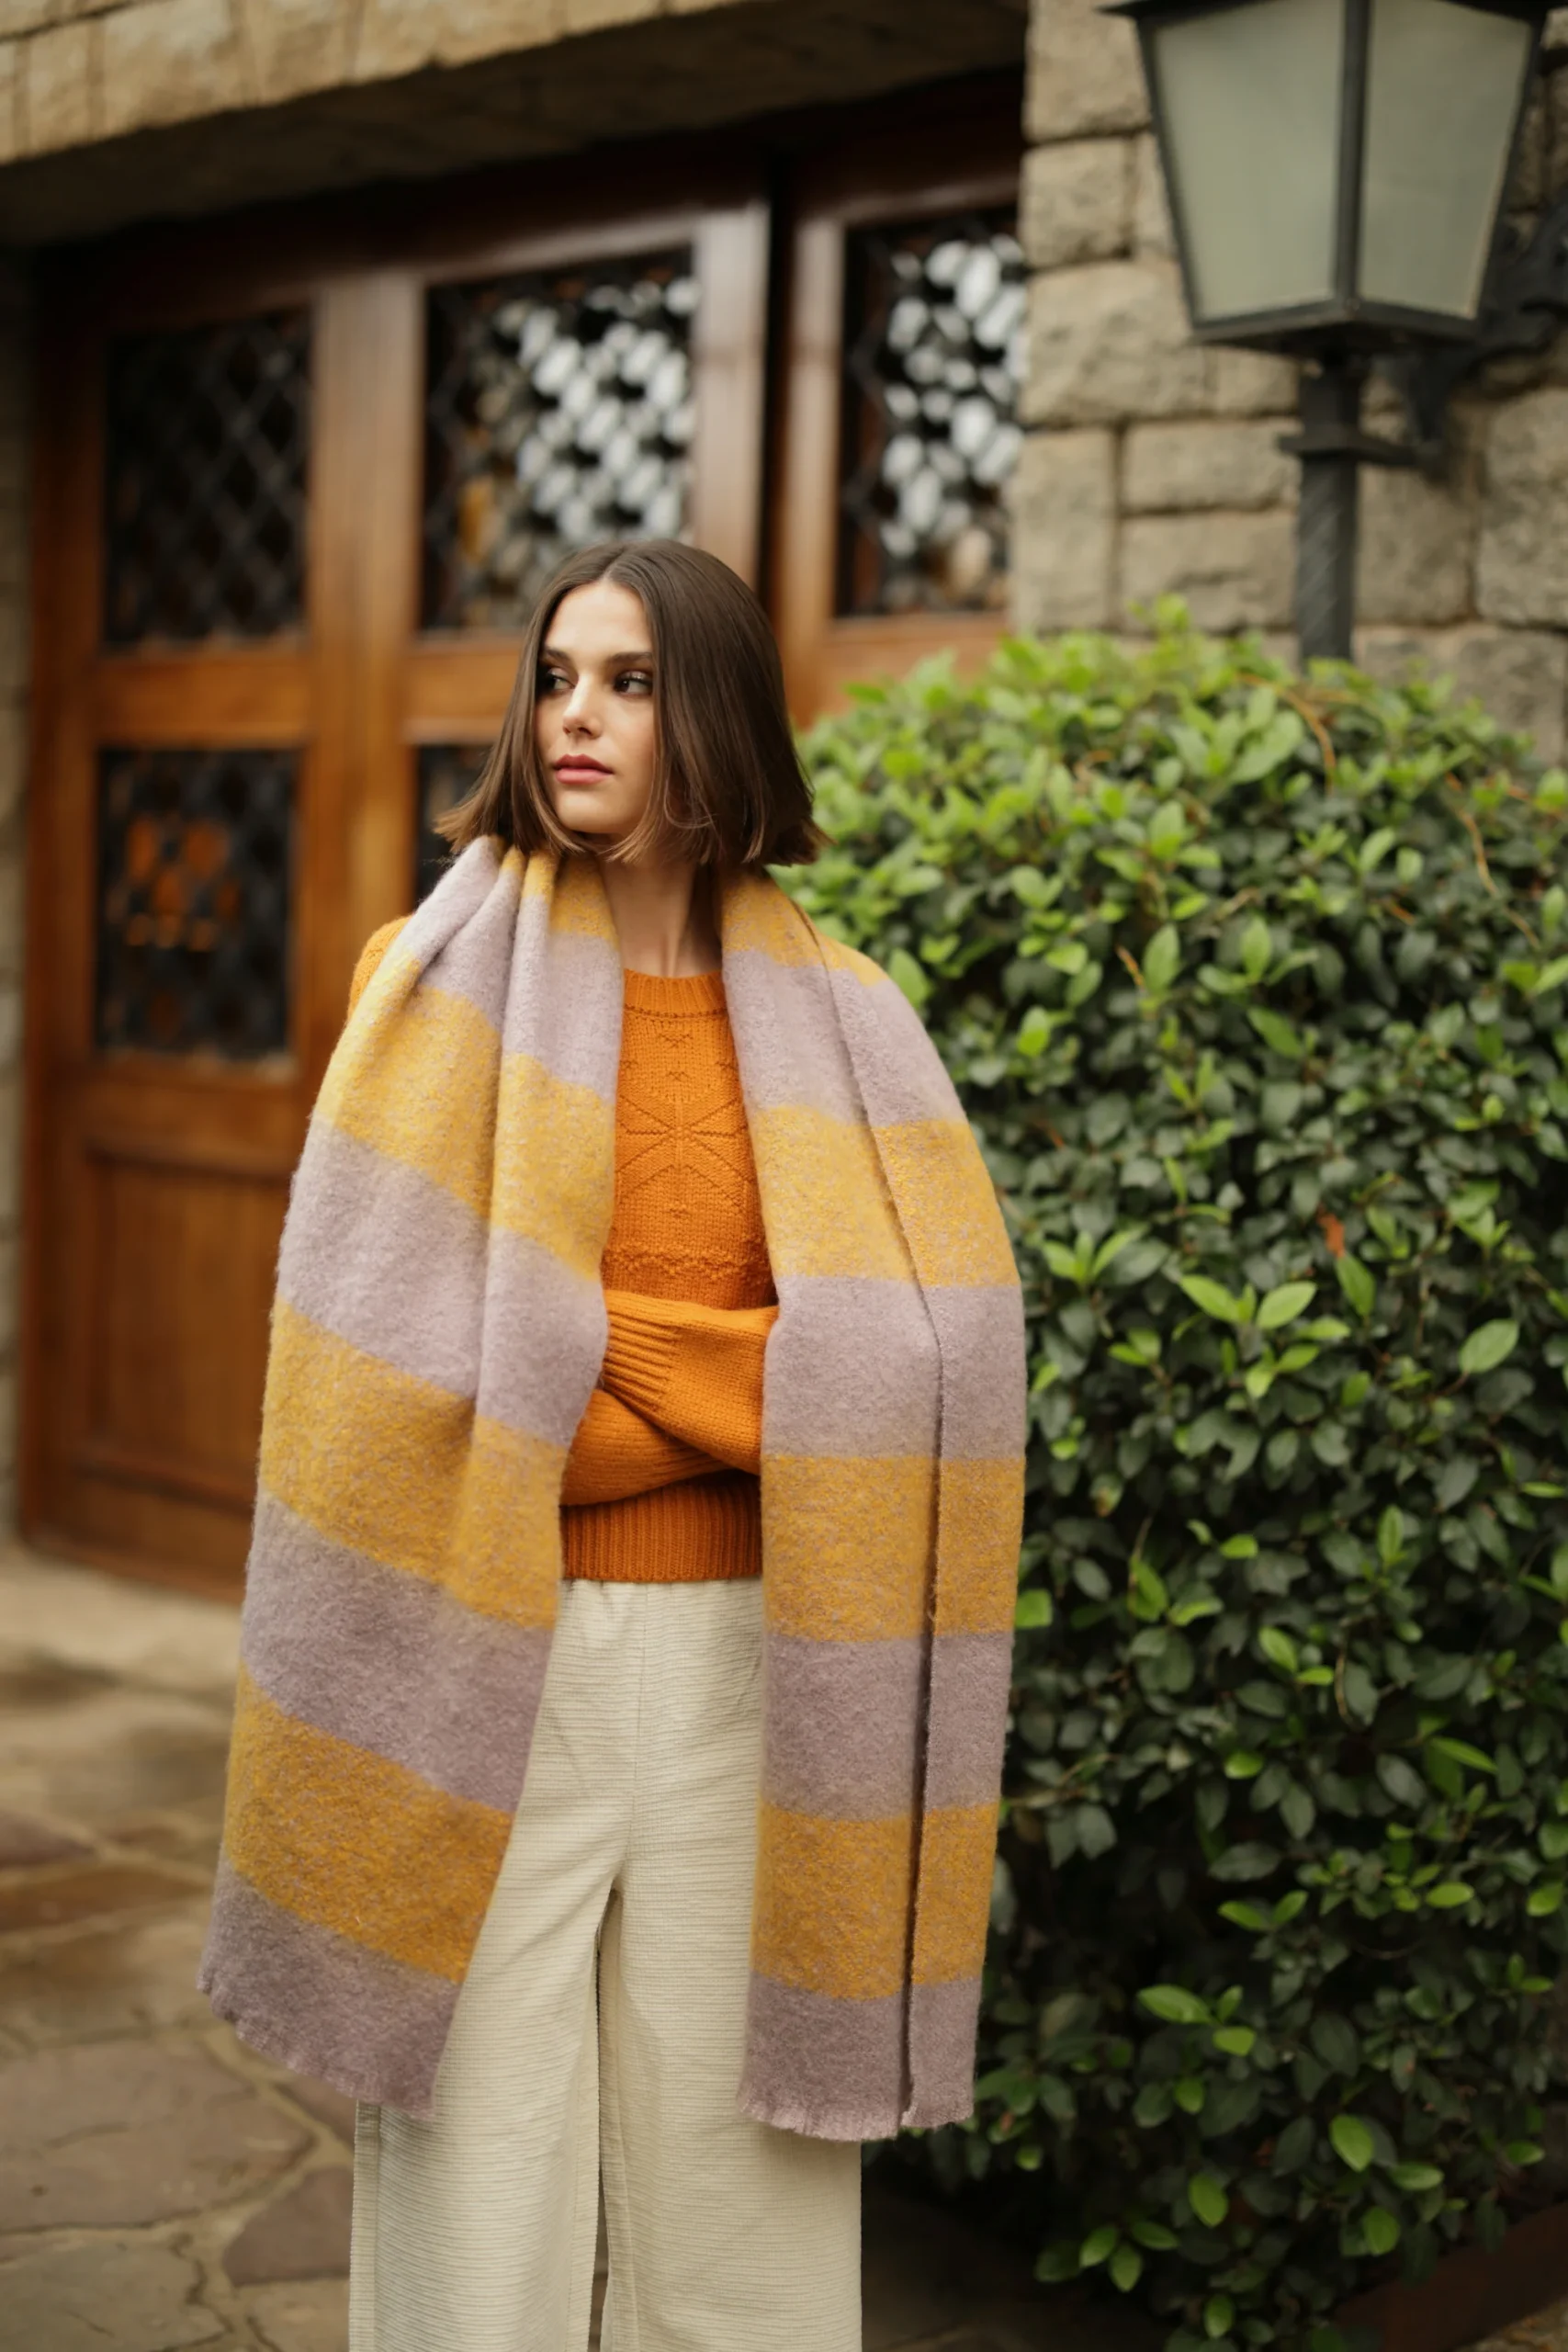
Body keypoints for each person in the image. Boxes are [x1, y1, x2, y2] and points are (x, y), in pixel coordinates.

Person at [199, 539, 1026, 2352]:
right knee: (473, 2186)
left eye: (631, 682)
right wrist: (757, 1399)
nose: (576, 715)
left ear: (713, 713)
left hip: (760, 1671)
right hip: (486, 1648)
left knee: (746, 2215)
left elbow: (926, 1383)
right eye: (559, 676)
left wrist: (582, 1354)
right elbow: (397, 1391)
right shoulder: (424, 989)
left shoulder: (849, 1023)